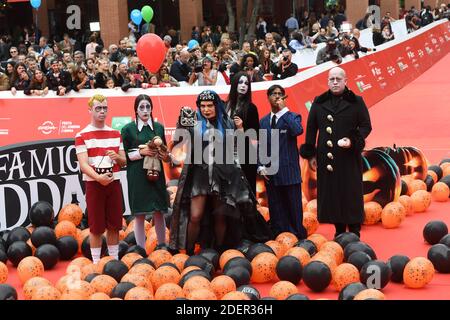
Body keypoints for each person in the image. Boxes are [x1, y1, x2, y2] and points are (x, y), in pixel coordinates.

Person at [169, 90, 272, 254]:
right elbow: (178, 145)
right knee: (195, 216)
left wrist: (240, 128)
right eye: (202, 106)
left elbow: (238, 146)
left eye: (210, 105)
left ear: (217, 106)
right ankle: (187, 252)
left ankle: (220, 251)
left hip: (223, 176)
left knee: (221, 216)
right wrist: (180, 127)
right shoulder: (193, 124)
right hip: (200, 176)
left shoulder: (228, 123)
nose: (206, 109)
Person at [299, 67, 372, 238]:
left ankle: (354, 231)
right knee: (332, 193)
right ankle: (339, 231)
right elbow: (311, 129)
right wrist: (310, 155)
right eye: (332, 79)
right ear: (327, 81)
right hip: (327, 157)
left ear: (346, 81)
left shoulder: (357, 101)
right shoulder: (319, 102)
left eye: (339, 79)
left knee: (351, 192)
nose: (335, 82)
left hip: (349, 156)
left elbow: (366, 125)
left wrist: (353, 140)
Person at [75, 94, 127, 264]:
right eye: (98, 108)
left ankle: (114, 261)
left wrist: (116, 158)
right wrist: (98, 178)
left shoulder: (115, 133)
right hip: (94, 185)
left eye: (105, 108)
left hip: (114, 183)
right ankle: (96, 263)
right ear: (90, 110)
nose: (102, 111)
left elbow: (124, 160)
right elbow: (83, 164)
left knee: (114, 225)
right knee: (96, 227)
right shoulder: (82, 135)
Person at [121, 95, 171, 250]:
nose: (145, 110)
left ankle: (162, 246)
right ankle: (141, 249)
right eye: (141, 107)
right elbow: (125, 156)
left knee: (159, 211)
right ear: (135, 109)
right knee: (140, 214)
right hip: (137, 175)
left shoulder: (159, 127)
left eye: (148, 107)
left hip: (157, 173)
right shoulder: (127, 129)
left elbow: (165, 151)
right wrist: (143, 152)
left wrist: (166, 156)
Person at [258, 85, 307, 240]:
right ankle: (279, 238)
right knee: (276, 209)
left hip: (289, 172)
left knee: (294, 208)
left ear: (285, 98)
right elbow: (261, 145)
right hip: (271, 174)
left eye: (280, 94)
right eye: (274, 94)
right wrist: (260, 166)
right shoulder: (264, 121)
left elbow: (297, 130)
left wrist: (284, 110)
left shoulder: (292, 117)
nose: (277, 97)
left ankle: (298, 238)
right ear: (268, 97)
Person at [225, 71, 260, 195]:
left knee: (245, 195)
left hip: (245, 156)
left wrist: (241, 128)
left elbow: (255, 137)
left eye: (246, 83)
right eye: (240, 82)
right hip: (225, 155)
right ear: (234, 84)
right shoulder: (225, 106)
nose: (243, 85)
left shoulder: (251, 108)